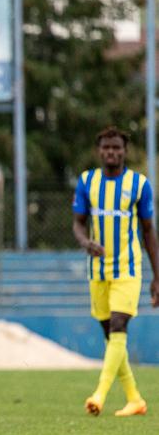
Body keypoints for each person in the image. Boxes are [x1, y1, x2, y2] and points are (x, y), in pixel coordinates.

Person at [72, 126, 158, 417]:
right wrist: (85, 242)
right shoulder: (87, 182)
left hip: (128, 269)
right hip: (97, 270)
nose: (111, 152)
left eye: (117, 147)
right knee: (111, 336)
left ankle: (99, 394)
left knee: (119, 325)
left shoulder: (139, 184)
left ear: (125, 151)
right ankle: (135, 398)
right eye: (106, 147)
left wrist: (157, 277)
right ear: (99, 150)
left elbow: (148, 231)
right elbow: (78, 222)